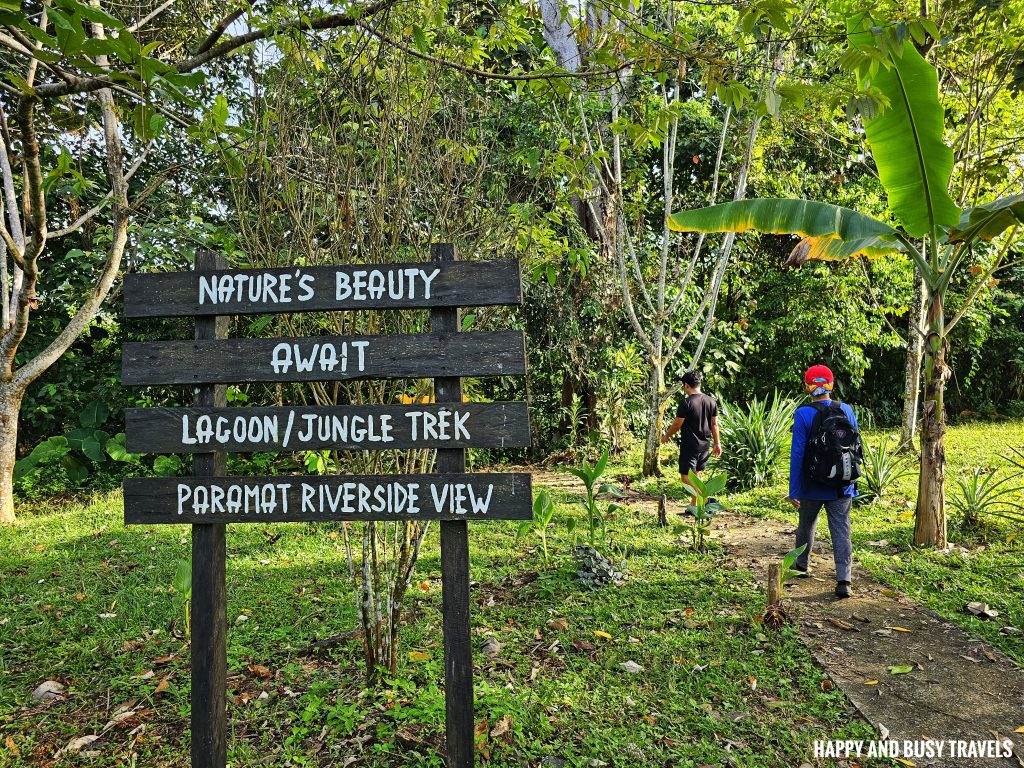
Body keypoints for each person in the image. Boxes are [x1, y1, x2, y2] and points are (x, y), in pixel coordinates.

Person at [788, 364, 859, 599]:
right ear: (831, 384)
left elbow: (797, 454)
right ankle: (844, 580)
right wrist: (852, 483)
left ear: (808, 386)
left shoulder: (803, 413)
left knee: (806, 524)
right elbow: (855, 449)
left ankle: (801, 564)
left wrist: (794, 489)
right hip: (842, 484)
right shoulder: (846, 410)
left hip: (812, 484)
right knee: (841, 529)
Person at [661, 370, 721, 504]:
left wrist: (666, 436)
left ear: (686, 385)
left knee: (686, 477)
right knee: (695, 475)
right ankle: (695, 505)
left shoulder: (686, 403)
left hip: (690, 445)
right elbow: (714, 424)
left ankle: (704, 500)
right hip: (705, 444)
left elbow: (677, 424)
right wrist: (717, 443)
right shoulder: (711, 401)